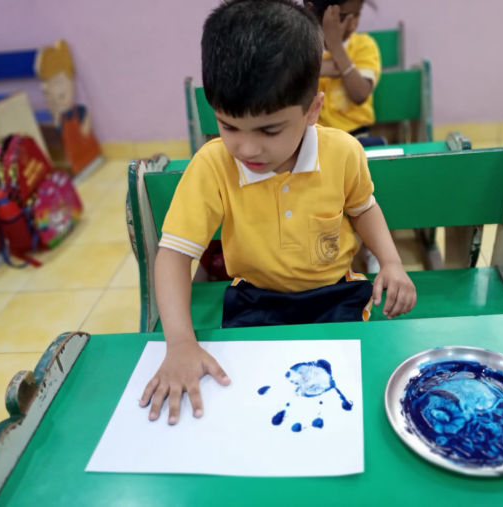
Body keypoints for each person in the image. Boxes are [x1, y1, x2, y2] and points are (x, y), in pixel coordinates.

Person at [139, 0, 416, 425]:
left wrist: (392, 262)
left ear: (312, 110)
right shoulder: (213, 165)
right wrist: (179, 343)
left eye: (269, 130)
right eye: (228, 126)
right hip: (255, 301)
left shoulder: (343, 152)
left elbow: (364, 209)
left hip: (333, 296)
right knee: (251, 408)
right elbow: (174, 255)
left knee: (349, 404)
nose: (247, 148)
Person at [304, 0, 383, 146]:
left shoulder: (363, 45)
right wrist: (317, 69)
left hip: (356, 135)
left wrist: (335, 45)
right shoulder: (302, 49)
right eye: (342, 17)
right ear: (312, 12)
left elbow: (360, 94)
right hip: (315, 138)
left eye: (357, 14)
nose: (352, 24)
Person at [35, 39, 101, 175]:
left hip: (87, 156)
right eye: (48, 91)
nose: (55, 94)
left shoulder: (81, 112)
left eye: (58, 82)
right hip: (76, 160)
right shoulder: (60, 119)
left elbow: (85, 129)